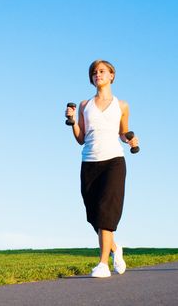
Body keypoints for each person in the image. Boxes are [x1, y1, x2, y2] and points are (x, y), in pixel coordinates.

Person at [65, 59, 139, 278]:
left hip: (114, 161)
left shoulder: (122, 105)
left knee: (107, 210)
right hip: (89, 162)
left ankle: (103, 264)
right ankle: (116, 248)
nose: (98, 74)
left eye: (102, 71)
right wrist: (72, 121)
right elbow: (80, 138)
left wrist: (131, 140)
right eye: (95, 72)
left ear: (112, 75)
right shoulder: (85, 105)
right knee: (95, 215)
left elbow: (123, 132)